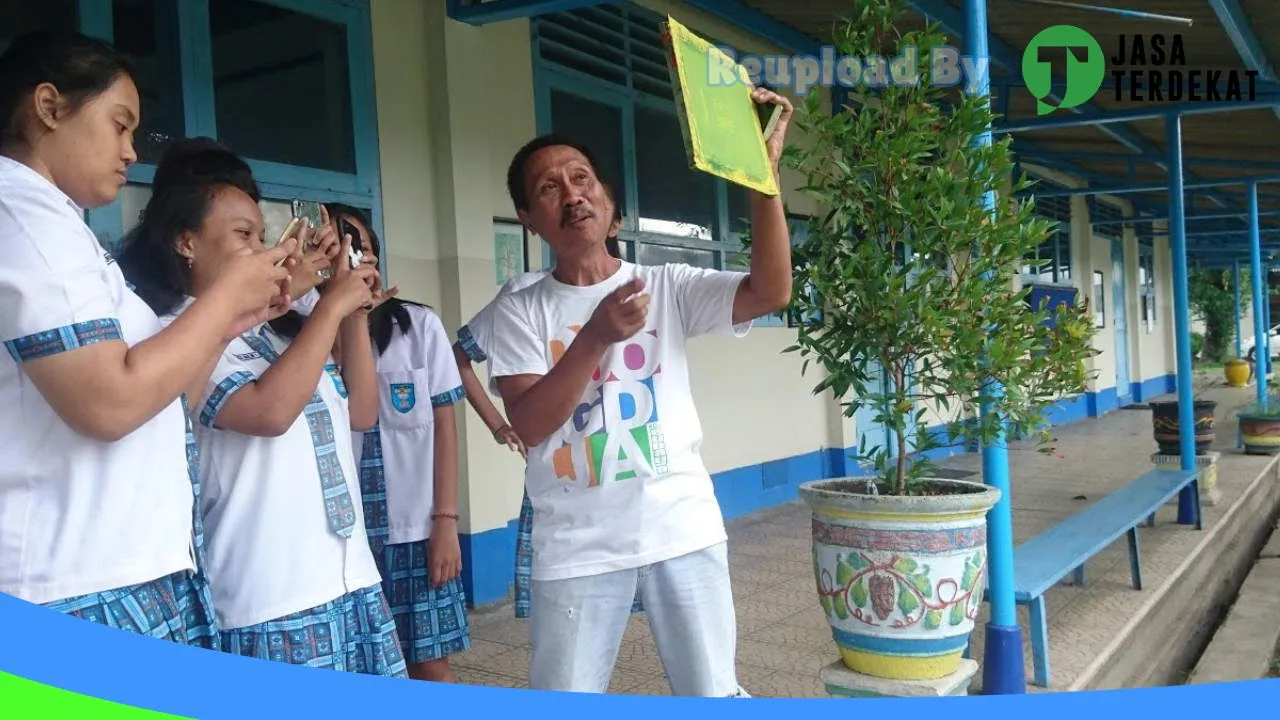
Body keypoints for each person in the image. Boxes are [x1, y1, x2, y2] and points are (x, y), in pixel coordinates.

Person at [483, 86, 794, 696]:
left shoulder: (666, 284)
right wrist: (596, 335)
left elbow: (771, 290)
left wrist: (764, 183)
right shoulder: (520, 309)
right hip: (576, 543)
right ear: (527, 216)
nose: (572, 193)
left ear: (605, 198)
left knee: (711, 690)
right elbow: (530, 423)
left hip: (682, 526)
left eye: (582, 178)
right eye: (550, 187)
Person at [0, 30, 291, 644]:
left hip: (119, 574)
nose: (131, 151)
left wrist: (235, 315)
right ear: (49, 108)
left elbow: (164, 402)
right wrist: (223, 300)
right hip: (77, 588)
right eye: (119, 125)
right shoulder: (20, 214)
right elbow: (108, 403)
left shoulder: (63, 229)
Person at [121, 149, 406, 676]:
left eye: (260, 235)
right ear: (186, 242)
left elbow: (362, 411)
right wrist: (329, 307)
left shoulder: (275, 324)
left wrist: (346, 304)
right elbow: (268, 412)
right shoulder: (175, 333)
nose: (261, 250)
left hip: (350, 580)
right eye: (242, 236)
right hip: (270, 599)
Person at [451, 189, 633, 622]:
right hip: (565, 479)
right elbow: (455, 358)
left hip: (632, 479)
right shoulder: (525, 296)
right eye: (553, 191)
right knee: (571, 630)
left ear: (614, 222)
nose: (577, 204)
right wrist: (499, 424)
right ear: (534, 222)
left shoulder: (641, 288)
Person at [317, 205, 470, 683]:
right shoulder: (295, 331)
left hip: (414, 531)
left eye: (357, 248)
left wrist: (445, 524)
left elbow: (446, 426)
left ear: (375, 259)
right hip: (340, 538)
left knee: (428, 663)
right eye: (333, 248)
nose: (347, 259)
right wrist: (337, 312)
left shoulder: (418, 326)